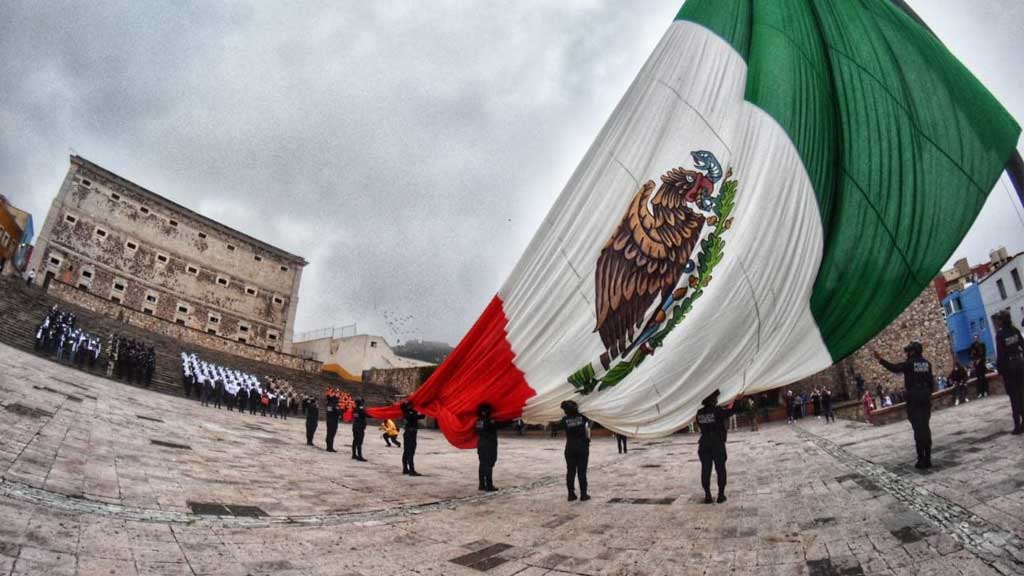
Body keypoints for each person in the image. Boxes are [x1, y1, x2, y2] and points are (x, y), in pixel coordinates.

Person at [874, 342, 935, 468]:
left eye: (908, 351)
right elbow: (931, 383)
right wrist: (927, 393)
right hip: (925, 397)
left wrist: (880, 359)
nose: (907, 354)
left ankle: (921, 459)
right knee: (925, 426)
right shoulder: (927, 364)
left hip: (914, 397)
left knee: (918, 428)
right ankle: (928, 457)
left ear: (912, 352)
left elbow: (894, 368)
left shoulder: (909, 364)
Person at [695, 390, 736, 504]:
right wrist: (734, 399)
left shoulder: (699, 413)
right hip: (717, 443)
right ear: (712, 400)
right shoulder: (717, 411)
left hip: (704, 444)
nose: (717, 400)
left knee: (705, 470)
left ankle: (708, 495)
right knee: (721, 469)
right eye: (716, 398)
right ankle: (721, 495)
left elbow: (700, 424)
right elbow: (730, 411)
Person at [993, 312, 1024, 434]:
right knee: (1022, 393)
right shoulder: (1015, 330)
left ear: (1001, 321)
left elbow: (1001, 355)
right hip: (1020, 364)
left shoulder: (1000, 335)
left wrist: (1000, 370)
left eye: (998, 320)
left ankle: (1017, 425)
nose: (997, 322)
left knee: (1014, 396)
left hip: (1010, 367)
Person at [559, 400, 591, 502]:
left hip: (570, 448)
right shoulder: (583, 418)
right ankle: (583, 494)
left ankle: (571, 494)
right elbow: (590, 423)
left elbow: (559, 426)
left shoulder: (564, 420)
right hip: (582, 447)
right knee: (582, 471)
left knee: (570, 472)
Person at [475, 403, 499, 492]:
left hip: (481, 445)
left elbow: (478, 432)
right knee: (489, 465)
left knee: (482, 464)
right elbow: (498, 426)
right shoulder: (490, 421)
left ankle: (481, 484)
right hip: (489, 445)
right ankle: (489, 485)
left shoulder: (478, 421)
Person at [401, 401, 423, 476]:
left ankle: (405, 469)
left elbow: (422, 416)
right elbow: (417, 416)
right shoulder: (408, 413)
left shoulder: (408, 412)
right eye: (410, 405)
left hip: (409, 433)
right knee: (410, 451)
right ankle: (411, 470)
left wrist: (423, 410)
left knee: (407, 451)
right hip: (410, 434)